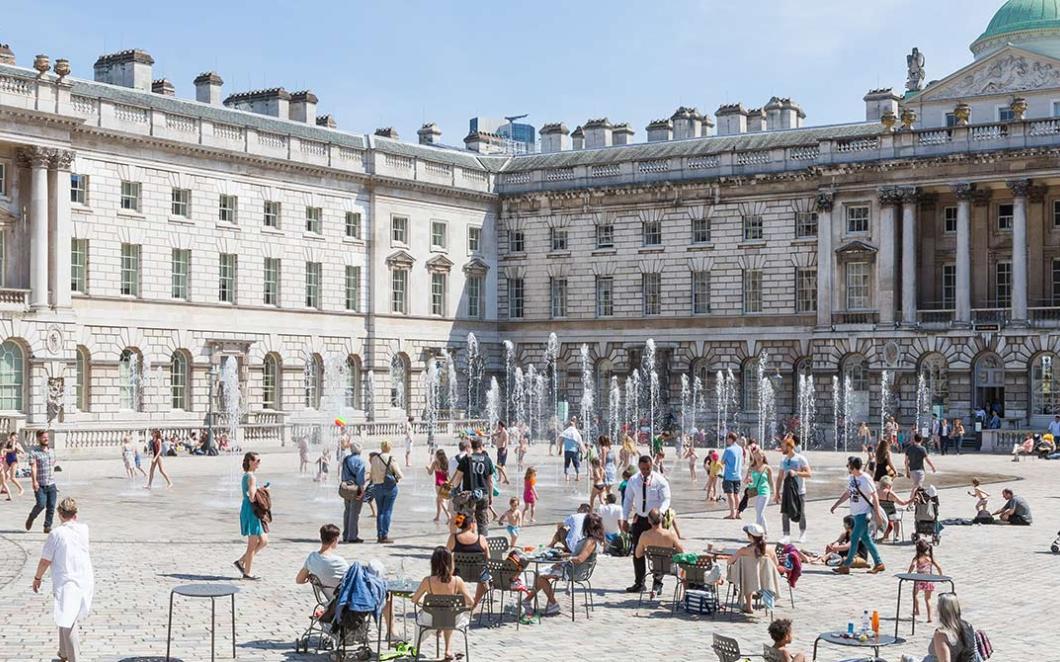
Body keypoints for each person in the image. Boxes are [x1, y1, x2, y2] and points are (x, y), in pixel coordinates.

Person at [31, 497, 93, 662]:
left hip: (67, 581)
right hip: (84, 578)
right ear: (76, 514)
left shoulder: (56, 533)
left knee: (68, 620)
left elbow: (45, 560)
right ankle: (63, 653)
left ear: (59, 514)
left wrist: (37, 577)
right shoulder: (84, 529)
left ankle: (75, 659)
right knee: (64, 614)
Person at [524, 513, 604, 617]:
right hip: (574, 568)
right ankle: (527, 601)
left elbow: (580, 559)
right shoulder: (592, 539)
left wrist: (564, 560)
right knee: (540, 573)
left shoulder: (590, 541)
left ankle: (552, 604)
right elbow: (578, 555)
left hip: (574, 571)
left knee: (540, 576)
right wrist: (563, 555)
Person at [410, 547, 473, 661]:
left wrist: (422, 603)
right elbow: (470, 602)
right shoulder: (457, 581)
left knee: (432, 615)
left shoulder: (427, 581)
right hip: (451, 620)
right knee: (449, 613)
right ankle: (448, 649)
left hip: (431, 619)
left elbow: (414, 600)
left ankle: (416, 647)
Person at [621, 454, 671, 593]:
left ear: (651, 466)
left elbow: (666, 499)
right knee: (638, 551)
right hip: (640, 519)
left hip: (655, 520)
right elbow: (628, 500)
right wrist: (625, 519)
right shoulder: (633, 480)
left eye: (647, 469)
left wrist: (659, 512)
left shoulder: (660, 481)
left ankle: (657, 583)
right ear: (639, 467)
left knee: (658, 552)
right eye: (642, 469)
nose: (645, 471)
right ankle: (639, 582)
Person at [829, 456, 885, 575]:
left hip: (863, 514)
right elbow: (848, 493)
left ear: (853, 466)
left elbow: (874, 496)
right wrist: (836, 504)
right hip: (855, 514)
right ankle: (879, 563)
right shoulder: (852, 477)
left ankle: (846, 565)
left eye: (848, 465)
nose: (847, 467)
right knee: (866, 539)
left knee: (854, 538)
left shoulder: (866, 479)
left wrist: (878, 514)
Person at [901, 593, 978, 662]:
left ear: (941, 610)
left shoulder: (941, 634)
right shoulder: (968, 626)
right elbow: (973, 653)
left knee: (906, 658)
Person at [728, 523, 782, 613]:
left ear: (750, 537)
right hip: (766, 580)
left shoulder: (744, 550)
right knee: (750, 574)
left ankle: (749, 606)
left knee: (746, 574)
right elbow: (776, 564)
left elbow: (729, 562)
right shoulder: (770, 549)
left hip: (749, 580)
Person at [450, 436, 495, 535]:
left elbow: (458, 478)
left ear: (471, 446)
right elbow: (490, 481)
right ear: (481, 446)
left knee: (463, 518)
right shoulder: (487, 460)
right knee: (482, 522)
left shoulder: (466, 459)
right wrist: (491, 496)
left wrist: (455, 490)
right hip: (483, 494)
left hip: (468, 495)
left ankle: (463, 539)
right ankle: (482, 542)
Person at [633, 508, 684, 594]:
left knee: (658, 562)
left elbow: (637, 555)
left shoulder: (645, 535)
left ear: (649, 521)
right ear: (662, 519)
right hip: (670, 567)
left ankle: (657, 584)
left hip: (654, 566)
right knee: (685, 568)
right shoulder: (670, 534)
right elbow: (682, 552)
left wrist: (646, 552)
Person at [445, 513, 489, 609]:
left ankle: (459, 600)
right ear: (471, 524)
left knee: (449, 571)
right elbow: (488, 558)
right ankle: (475, 603)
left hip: (458, 574)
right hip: (478, 575)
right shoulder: (481, 538)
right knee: (484, 575)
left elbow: (446, 555)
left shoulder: (453, 537)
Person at [235, 452, 268, 579]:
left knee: (264, 541)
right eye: (257, 461)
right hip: (252, 510)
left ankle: (241, 561)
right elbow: (253, 497)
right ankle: (247, 572)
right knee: (252, 543)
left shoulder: (247, 476)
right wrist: (263, 492)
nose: (259, 463)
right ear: (250, 462)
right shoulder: (251, 477)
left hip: (248, 508)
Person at [296, 523, 350, 600]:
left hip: (330, 601)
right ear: (335, 540)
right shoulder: (339, 561)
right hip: (344, 600)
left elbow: (299, 580)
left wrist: (311, 576)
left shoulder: (312, 557)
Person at [775, 438, 812, 544]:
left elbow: (809, 474)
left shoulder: (800, 459)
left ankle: (802, 533)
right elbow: (780, 477)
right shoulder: (784, 460)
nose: (781, 448)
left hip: (799, 491)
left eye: (783, 446)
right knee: (785, 513)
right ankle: (786, 534)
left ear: (789, 446)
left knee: (801, 513)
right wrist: (777, 492)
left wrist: (796, 473)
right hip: (787, 491)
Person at [369, 440, 403, 543]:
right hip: (389, 487)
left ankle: (379, 534)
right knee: (387, 510)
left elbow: (371, 474)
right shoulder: (391, 458)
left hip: (377, 486)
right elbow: (400, 474)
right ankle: (384, 535)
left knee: (380, 511)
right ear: (389, 448)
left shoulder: (374, 458)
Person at [26, 431, 58, 534]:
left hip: (51, 483)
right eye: (44, 437)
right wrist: (34, 482)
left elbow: (53, 464)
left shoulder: (52, 451)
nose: (46, 439)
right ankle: (31, 517)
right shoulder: (34, 452)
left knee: (51, 506)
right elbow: (33, 467)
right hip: (40, 484)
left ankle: (47, 526)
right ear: (39, 438)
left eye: (47, 437)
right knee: (41, 504)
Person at [908, 538, 943, 622]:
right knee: (928, 599)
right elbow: (938, 566)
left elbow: (912, 565)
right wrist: (941, 575)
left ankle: (917, 610)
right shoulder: (930, 558)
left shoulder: (917, 558)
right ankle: (929, 617)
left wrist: (908, 573)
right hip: (929, 580)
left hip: (919, 579)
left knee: (914, 594)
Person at [340, 441, 366, 543]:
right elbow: (360, 478)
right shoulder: (360, 461)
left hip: (346, 487)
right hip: (355, 488)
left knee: (347, 511)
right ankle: (352, 536)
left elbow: (342, 474)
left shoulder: (346, 459)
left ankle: (346, 534)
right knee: (354, 513)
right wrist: (362, 490)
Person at [877, 475, 911, 542]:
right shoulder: (890, 493)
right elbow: (902, 503)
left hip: (881, 514)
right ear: (888, 484)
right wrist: (912, 499)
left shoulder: (877, 491)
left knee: (890, 521)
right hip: (891, 513)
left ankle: (885, 536)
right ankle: (897, 536)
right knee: (896, 520)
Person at [746, 450, 773, 535]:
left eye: (760, 456)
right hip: (756, 492)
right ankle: (765, 531)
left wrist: (775, 493)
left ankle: (757, 534)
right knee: (759, 512)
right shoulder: (751, 467)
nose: (758, 458)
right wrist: (748, 480)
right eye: (756, 456)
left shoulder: (767, 468)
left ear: (763, 457)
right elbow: (747, 479)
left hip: (765, 492)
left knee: (760, 513)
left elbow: (771, 482)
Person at [721, 432, 744, 519]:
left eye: (727, 438)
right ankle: (738, 513)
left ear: (731, 439)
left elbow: (722, 462)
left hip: (729, 475)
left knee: (730, 495)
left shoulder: (728, 450)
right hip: (738, 475)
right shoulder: (740, 449)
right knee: (736, 494)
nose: (726, 440)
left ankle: (732, 513)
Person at [427, 449, 451, 524]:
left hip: (438, 483)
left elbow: (430, 473)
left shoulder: (435, 463)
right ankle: (437, 516)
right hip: (447, 483)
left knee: (441, 500)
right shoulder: (447, 463)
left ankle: (449, 516)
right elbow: (449, 474)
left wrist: (427, 467)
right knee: (438, 500)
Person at [560, 417, 585, 482]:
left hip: (567, 451)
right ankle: (577, 476)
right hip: (574, 451)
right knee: (576, 464)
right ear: (574, 426)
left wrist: (560, 449)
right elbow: (580, 442)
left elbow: (561, 441)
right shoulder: (576, 432)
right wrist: (583, 450)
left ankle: (567, 477)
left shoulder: (566, 432)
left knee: (566, 464)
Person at [3, 432, 25, 499]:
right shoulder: (8, 442)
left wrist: (17, 448)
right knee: (3, 474)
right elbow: (5, 450)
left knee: (13, 478)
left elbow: (20, 451)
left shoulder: (17, 444)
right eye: (14, 436)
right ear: (11, 436)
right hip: (7, 460)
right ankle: (3, 488)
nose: (15, 438)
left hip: (13, 460)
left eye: (16, 437)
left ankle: (21, 489)